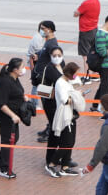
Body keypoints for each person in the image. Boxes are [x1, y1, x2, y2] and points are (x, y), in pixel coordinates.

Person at [0, 58, 26, 179]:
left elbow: (17, 92)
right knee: (7, 141)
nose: (23, 69)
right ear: (15, 70)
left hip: (13, 116)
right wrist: (13, 115)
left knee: (14, 139)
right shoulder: (5, 82)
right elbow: (1, 103)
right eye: (22, 67)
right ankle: (4, 168)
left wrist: (24, 98)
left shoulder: (15, 79)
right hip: (6, 117)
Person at [49, 59, 85, 177]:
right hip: (65, 115)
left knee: (71, 141)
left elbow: (72, 94)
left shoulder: (68, 81)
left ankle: (65, 166)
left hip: (71, 114)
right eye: (75, 73)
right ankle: (52, 164)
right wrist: (77, 96)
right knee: (66, 142)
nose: (76, 76)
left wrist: (76, 95)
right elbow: (65, 100)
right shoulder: (60, 83)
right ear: (69, 73)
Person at [43, 46, 66, 175]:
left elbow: (71, 76)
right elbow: (61, 82)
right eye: (54, 55)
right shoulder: (49, 68)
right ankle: (50, 158)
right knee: (54, 129)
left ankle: (61, 157)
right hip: (51, 103)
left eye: (59, 55)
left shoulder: (63, 65)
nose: (57, 57)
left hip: (61, 102)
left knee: (62, 130)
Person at [74, 0, 101, 83]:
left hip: (85, 31)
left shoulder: (87, 3)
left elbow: (76, 13)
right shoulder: (97, 2)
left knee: (85, 55)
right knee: (93, 53)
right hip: (94, 29)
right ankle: (95, 74)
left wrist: (76, 13)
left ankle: (87, 76)